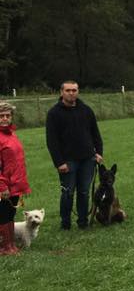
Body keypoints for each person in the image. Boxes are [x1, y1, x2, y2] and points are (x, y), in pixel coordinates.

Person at [45, 80, 104, 230]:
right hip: (67, 161)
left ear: (78, 92)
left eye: (74, 90)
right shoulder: (54, 114)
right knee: (68, 193)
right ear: (61, 92)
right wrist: (59, 162)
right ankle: (65, 223)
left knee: (84, 192)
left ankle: (83, 222)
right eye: (68, 90)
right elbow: (52, 141)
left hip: (87, 159)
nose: (71, 93)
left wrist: (99, 153)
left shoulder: (86, 110)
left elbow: (95, 134)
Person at [0, 102, 30, 255]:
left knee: (10, 214)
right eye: (1, 116)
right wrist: (2, 186)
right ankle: (5, 247)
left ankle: (11, 244)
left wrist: (22, 184)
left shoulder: (12, 135)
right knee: (3, 216)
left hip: (15, 184)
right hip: (4, 186)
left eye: (8, 116)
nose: (5, 119)